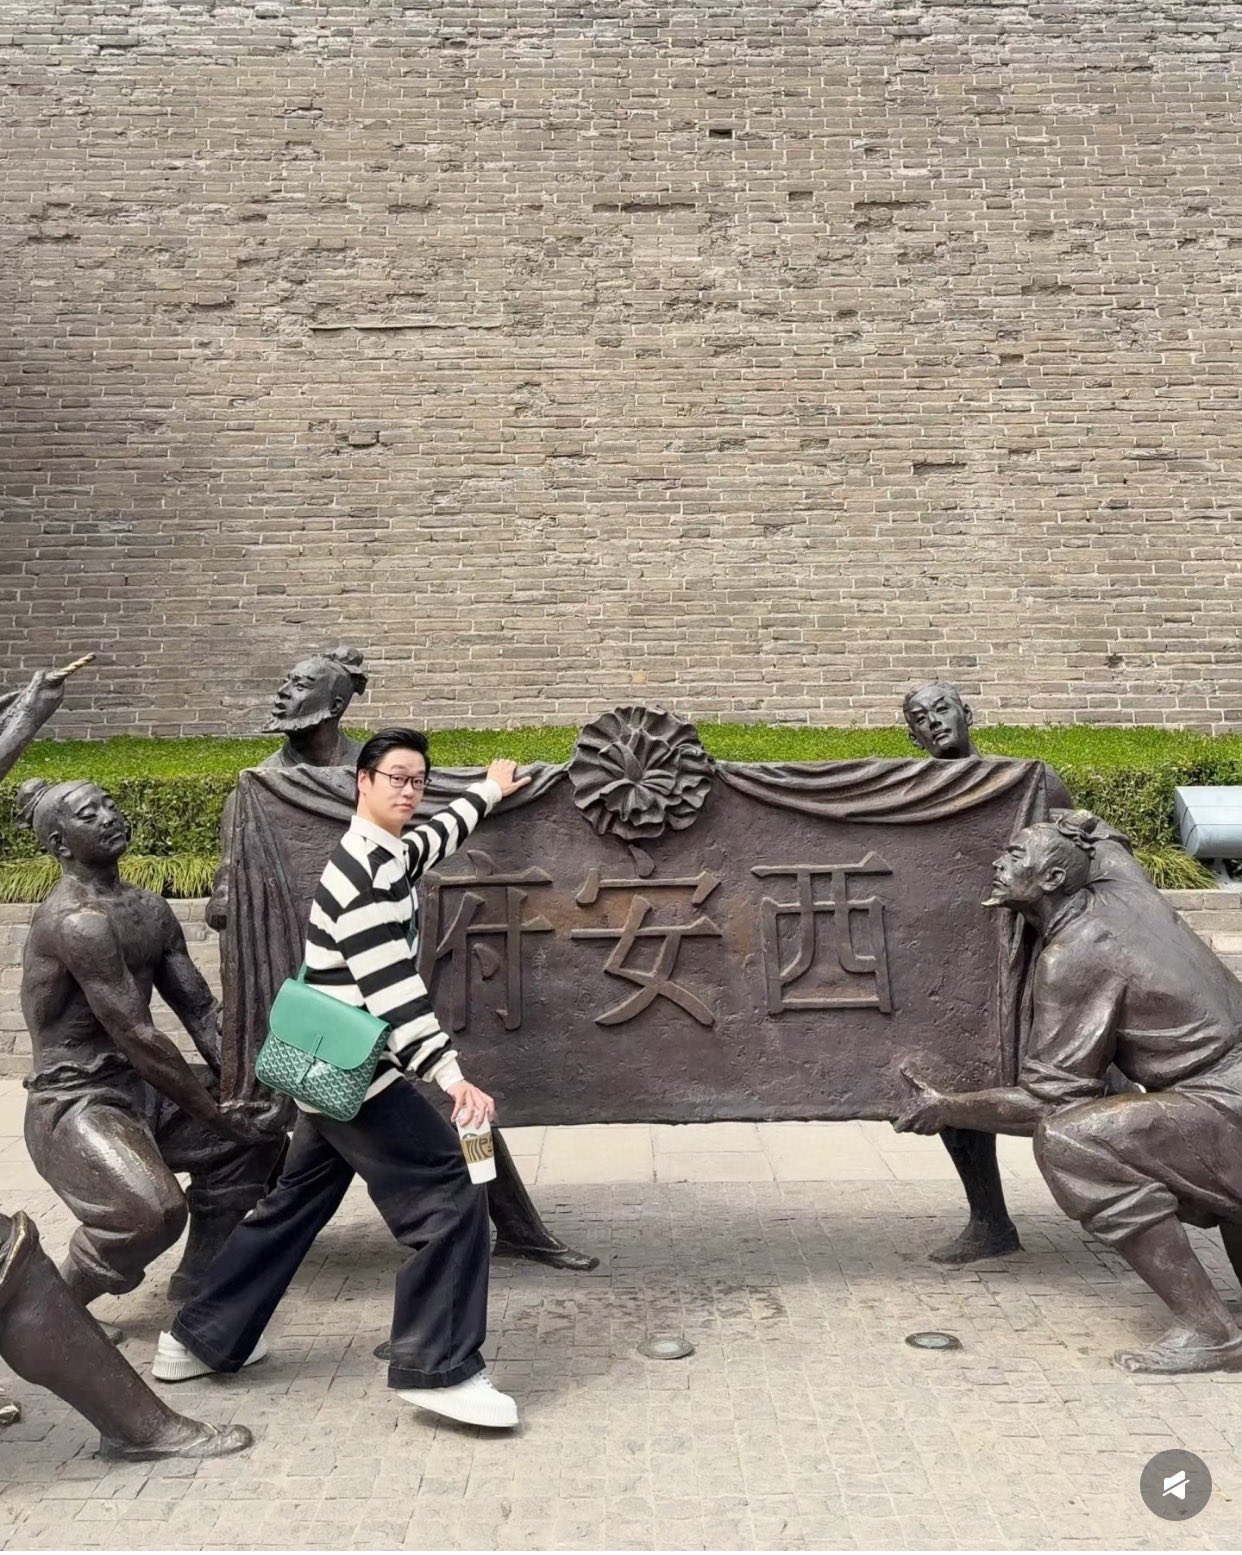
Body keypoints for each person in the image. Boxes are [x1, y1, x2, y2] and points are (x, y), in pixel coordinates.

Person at [154, 728, 531, 1428]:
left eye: (419, 780)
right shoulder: (360, 877)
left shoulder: (385, 853)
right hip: (358, 1077)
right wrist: (451, 1076)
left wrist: (486, 791)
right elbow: (391, 989)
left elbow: (428, 843)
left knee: (292, 1205)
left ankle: (198, 1338)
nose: (409, 791)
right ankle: (439, 1367)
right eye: (396, 778)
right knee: (451, 1191)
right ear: (363, 780)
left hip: (328, 1073)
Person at [895, 811, 1242, 1374]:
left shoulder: (1074, 956)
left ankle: (1209, 1330)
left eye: (1015, 856)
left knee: (1070, 1141)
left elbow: (1049, 1101)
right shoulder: (1125, 888)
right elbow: (1104, 837)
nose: (998, 862)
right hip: (1226, 1089)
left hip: (1227, 1102)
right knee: (1174, 1125)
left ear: (1053, 879)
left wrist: (948, 1108)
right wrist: (1074, 822)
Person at [18, 779, 285, 1315]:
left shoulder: (149, 910)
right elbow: (138, 1036)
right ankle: (46, 1317)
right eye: (89, 814)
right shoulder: (77, 923)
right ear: (61, 844)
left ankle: (202, 1281)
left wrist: (252, 1085)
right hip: (76, 1100)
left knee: (256, 1134)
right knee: (152, 1214)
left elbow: (201, 1011)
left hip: (139, 1087)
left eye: (109, 805)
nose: (109, 816)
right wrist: (214, 1113)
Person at [902, 681, 1075, 1264]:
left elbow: (1084, 854)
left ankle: (1157, 1196)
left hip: (1035, 956)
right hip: (955, 967)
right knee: (956, 1086)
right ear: (913, 734)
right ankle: (990, 1221)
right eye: (920, 717)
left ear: (966, 713)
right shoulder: (910, 791)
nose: (933, 721)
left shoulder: (1026, 783)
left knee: (1088, 1079)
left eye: (942, 708)